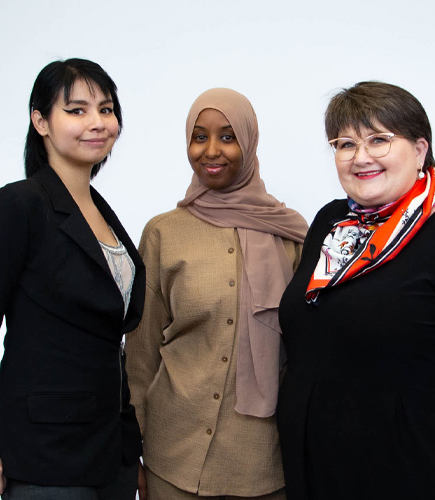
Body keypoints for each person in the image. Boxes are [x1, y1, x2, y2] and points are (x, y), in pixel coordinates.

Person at [276, 81, 435, 500]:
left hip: (415, 474)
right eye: (345, 144)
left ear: (419, 149)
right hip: (321, 472)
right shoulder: (331, 223)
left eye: (379, 140)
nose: (360, 157)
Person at [0, 58, 144, 499]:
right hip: (46, 457)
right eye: (76, 110)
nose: (97, 122)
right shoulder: (17, 206)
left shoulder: (102, 212)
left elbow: (108, 340)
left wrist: (130, 446)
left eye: (107, 109)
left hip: (111, 454)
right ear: (41, 121)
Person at [125, 88, 308, 500]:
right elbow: (140, 353)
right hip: (172, 458)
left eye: (228, 137)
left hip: (263, 464)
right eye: (199, 136)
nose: (211, 151)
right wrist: (128, 451)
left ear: (249, 141)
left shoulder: (292, 237)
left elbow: (307, 353)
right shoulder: (163, 233)